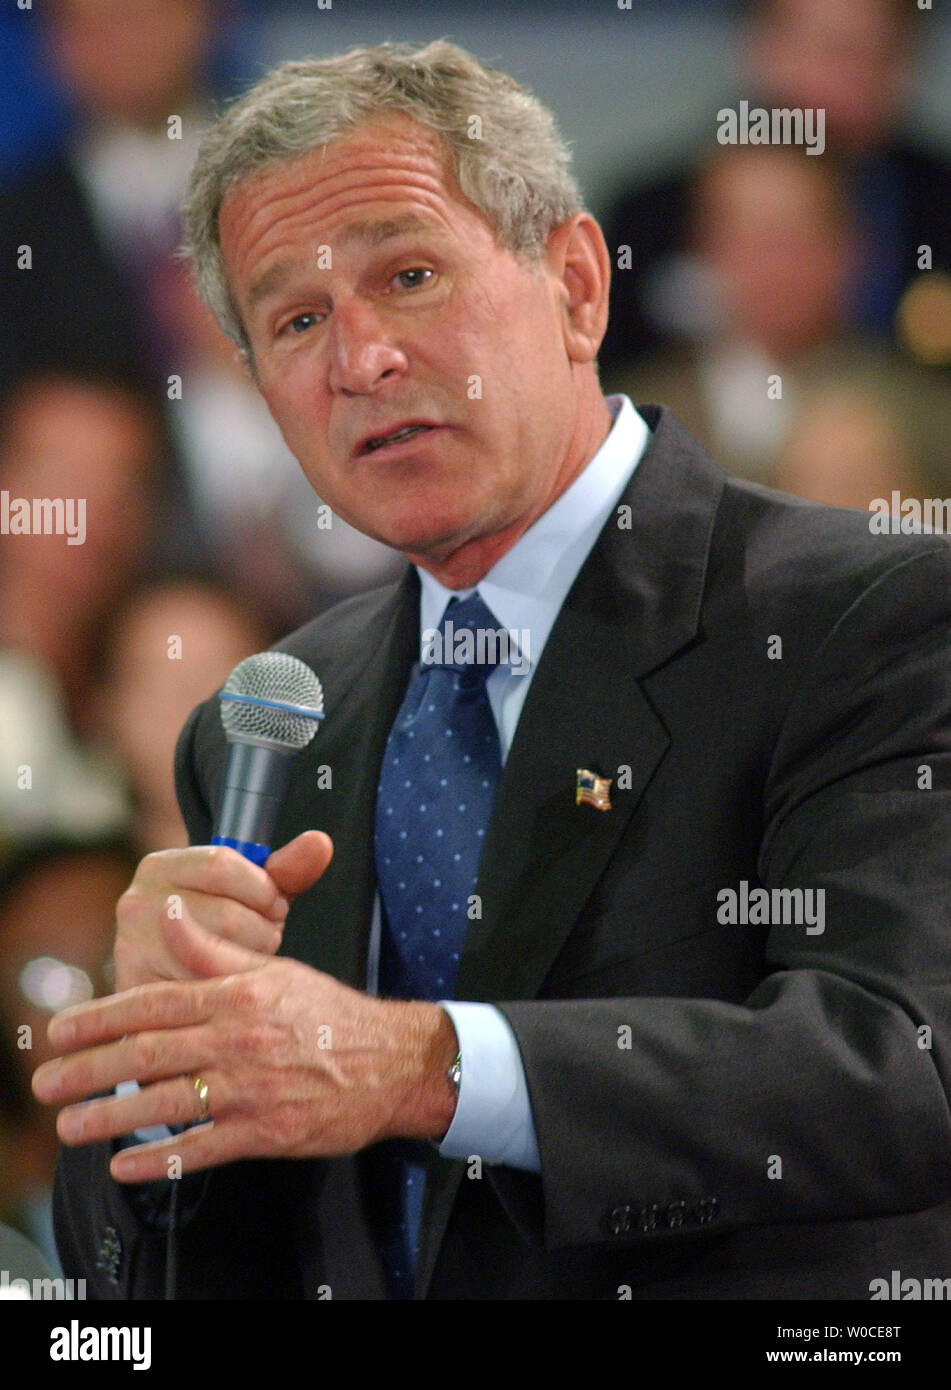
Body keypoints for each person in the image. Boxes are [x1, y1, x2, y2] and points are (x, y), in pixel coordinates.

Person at [33, 40, 951, 1301]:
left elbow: (898, 1067)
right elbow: (166, 1279)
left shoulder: (876, 613)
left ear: (577, 283)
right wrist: (155, 1079)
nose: (359, 359)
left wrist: (421, 1066)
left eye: (407, 274)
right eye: (295, 318)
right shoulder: (270, 725)